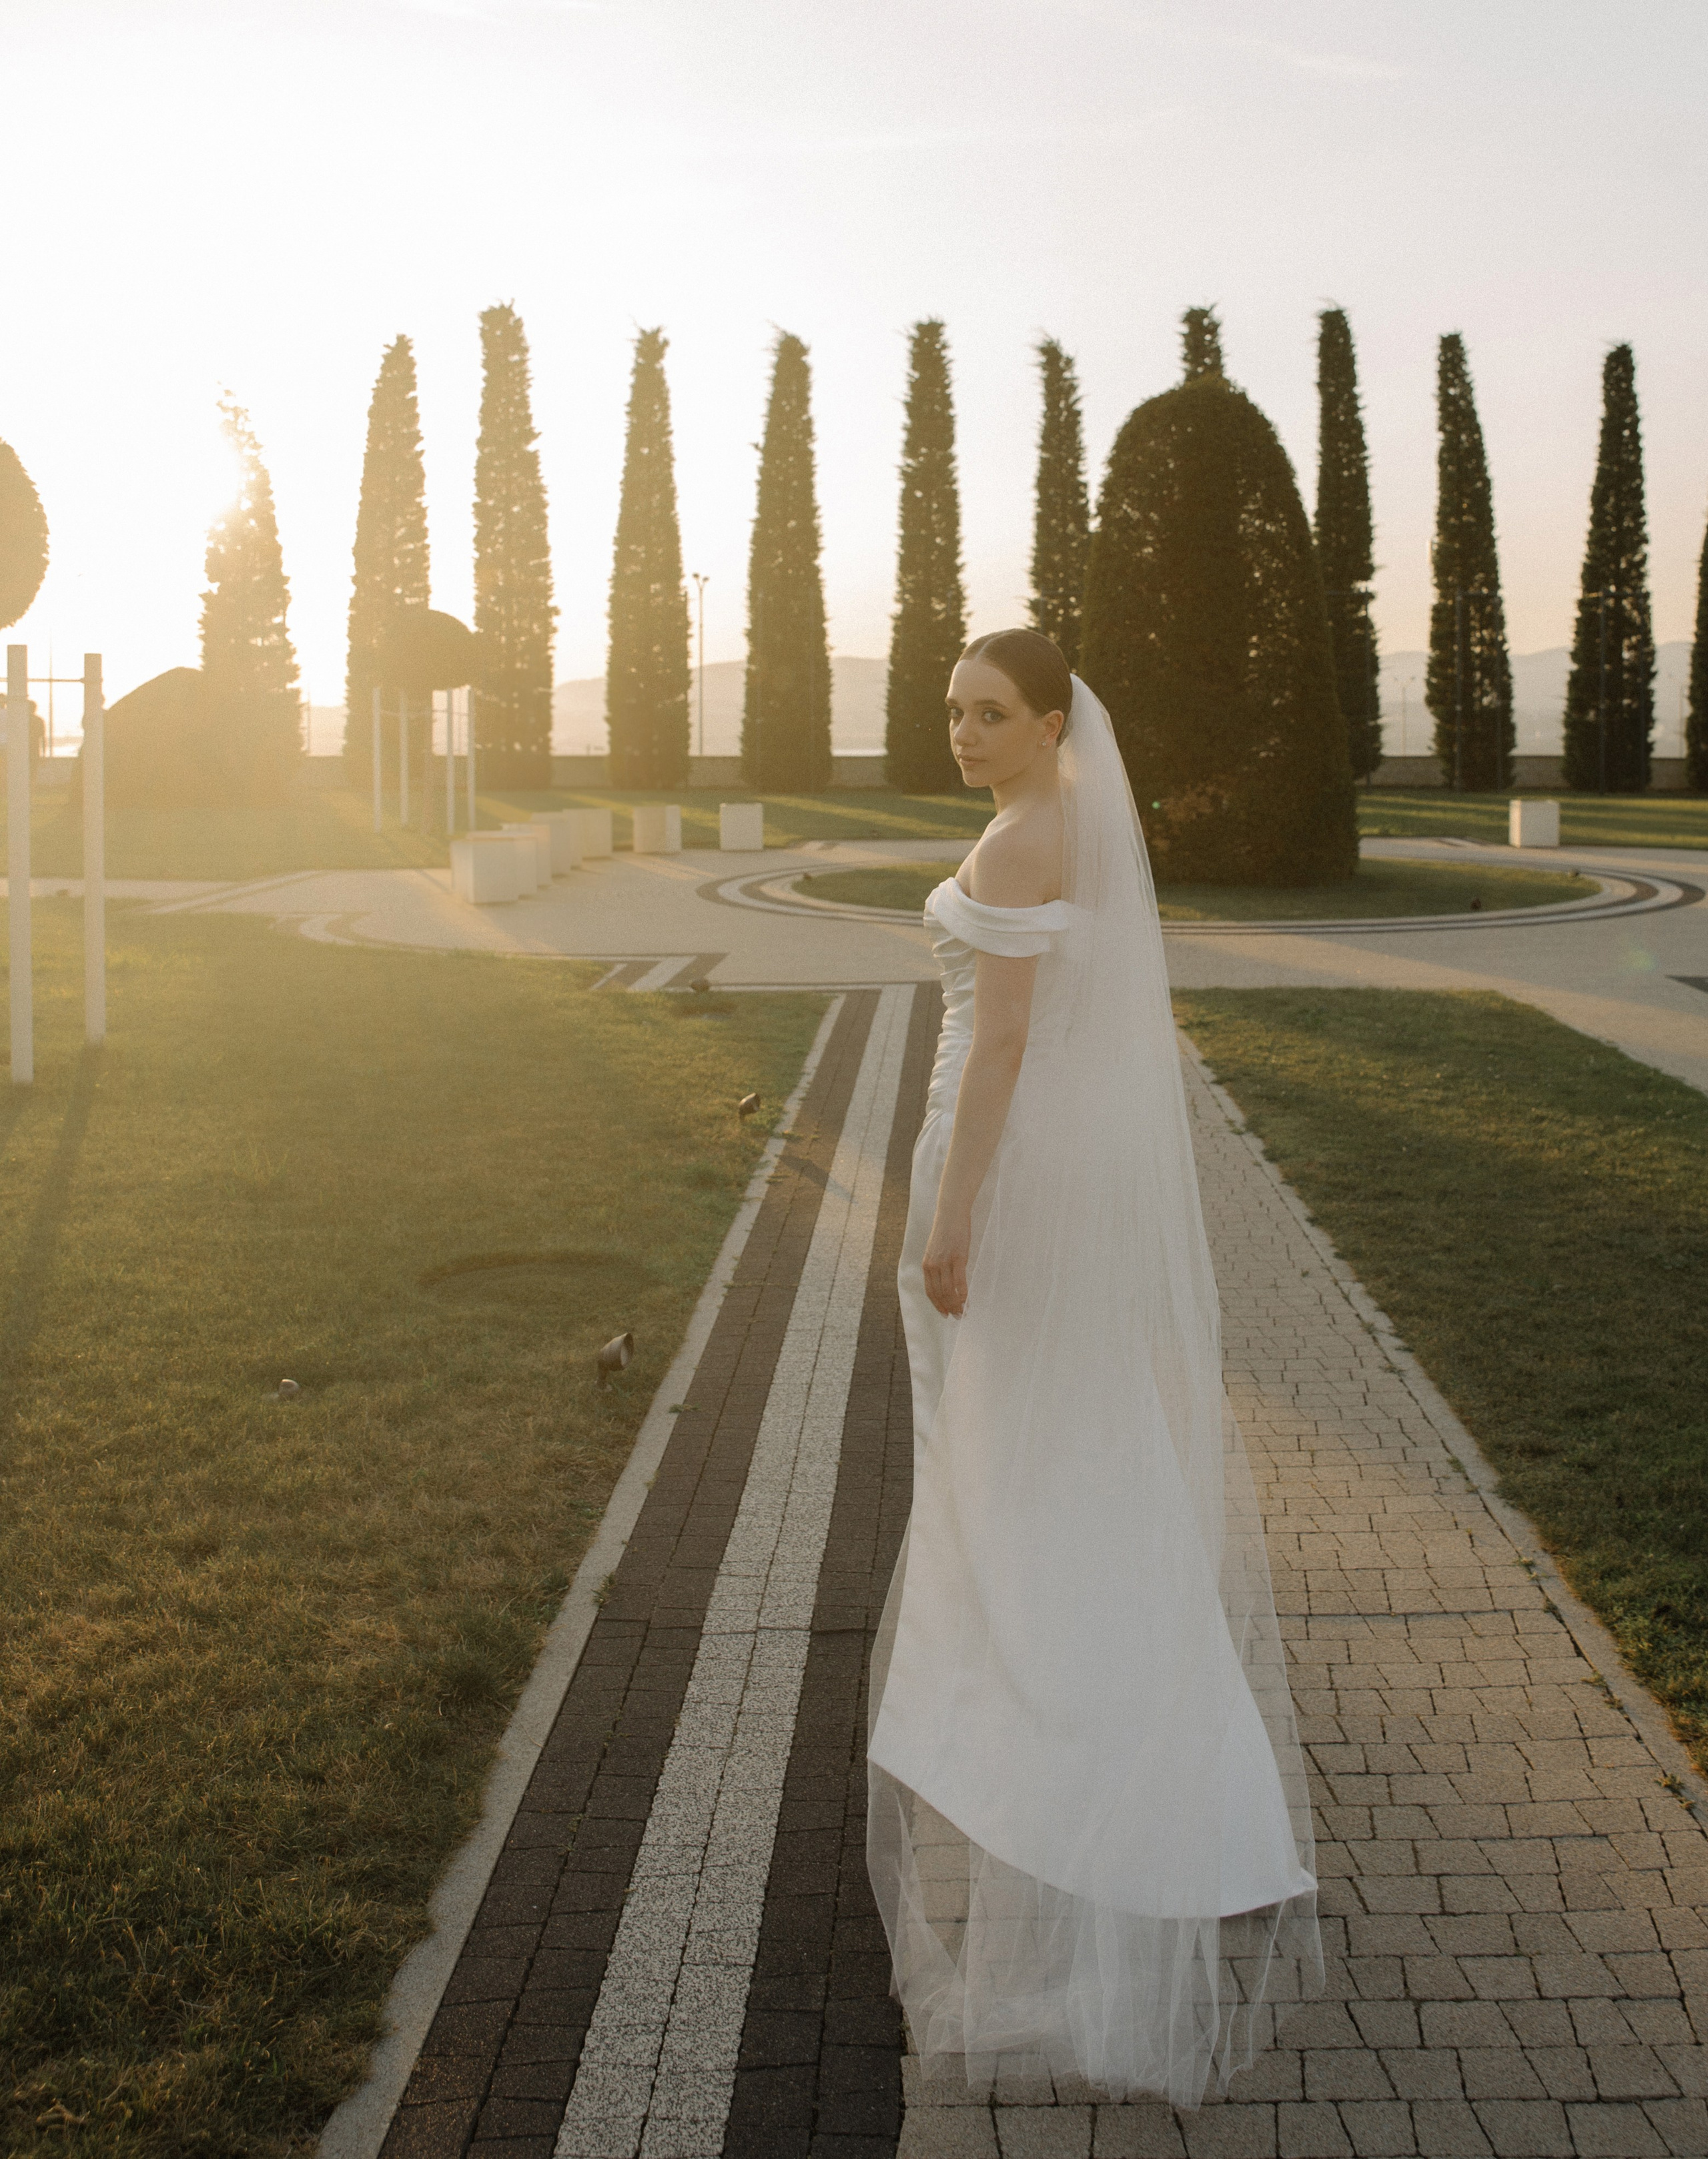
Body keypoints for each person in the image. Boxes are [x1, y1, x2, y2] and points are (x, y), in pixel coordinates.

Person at [866, 629, 1320, 2108]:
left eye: (987, 712)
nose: (961, 731)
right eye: (948, 711)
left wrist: (946, 1218)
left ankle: (1071, 1751)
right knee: (1089, 1451)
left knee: (1028, 1467)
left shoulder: (1015, 844)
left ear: (1049, 719)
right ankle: (1205, 1804)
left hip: (1005, 1169)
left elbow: (995, 1045)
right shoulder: (1076, 828)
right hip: (1063, 1162)